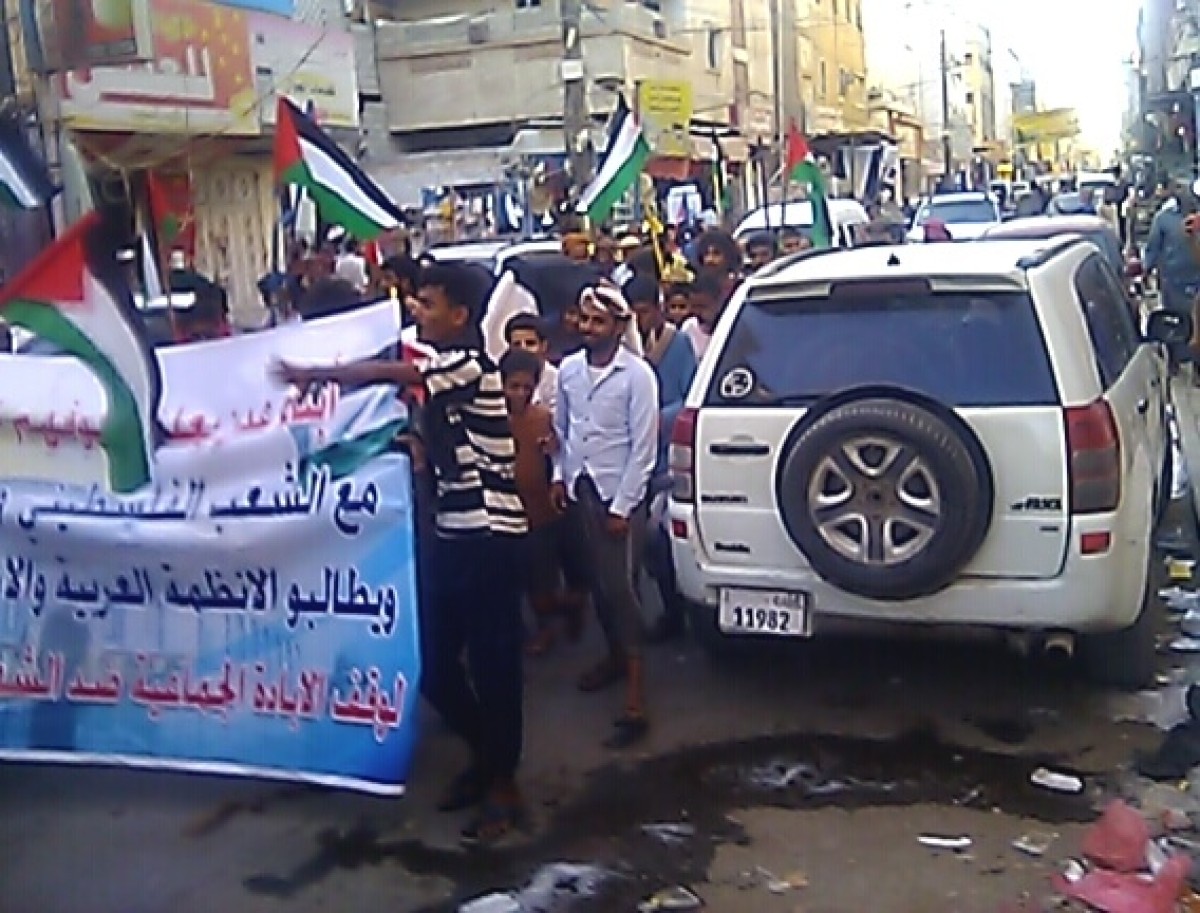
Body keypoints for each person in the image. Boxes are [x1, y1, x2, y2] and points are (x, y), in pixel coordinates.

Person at [274, 263, 528, 845]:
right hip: (450, 535)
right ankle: (487, 759)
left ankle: (501, 783)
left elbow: (398, 371)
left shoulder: (468, 363)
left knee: (494, 668)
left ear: (460, 316)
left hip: (489, 535)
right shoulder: (441, 373)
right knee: (434, 665)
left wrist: (317, 372)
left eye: (429, 304)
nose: (418, 309)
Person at [552, 284, 659, 749]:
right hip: (581, 490)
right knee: (596, 583)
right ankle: (614, 659)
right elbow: (562, 431)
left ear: (618, 326)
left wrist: (623, 507)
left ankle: (636, 694)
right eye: (585, 320)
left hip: (619, 496)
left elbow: (644, 449)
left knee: (621, 590)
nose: (590, 329)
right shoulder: (569, 372)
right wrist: (559, 475)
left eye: (600, 322)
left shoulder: (637, 376)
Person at [626, 275, 697, 642]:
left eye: (644, 312)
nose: (639, 321)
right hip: (633, 461)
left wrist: (654, 417)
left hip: (667, 457)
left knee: (665, 538)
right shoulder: (622, 351)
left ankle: (677, 610)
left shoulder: (678, 343)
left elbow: (690, 395)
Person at [500, 348, 568, 655]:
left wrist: (553, 449)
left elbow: (559, 458)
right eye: (513, 386)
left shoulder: (543, 419)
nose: (520, 394)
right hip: (501, 514)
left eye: (527, 387)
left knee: (541, 582)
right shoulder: (491, 418)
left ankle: (548, 626)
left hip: (539, 515)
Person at [1146, 182, 1200, 368]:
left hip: (1196, 280)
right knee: (1176, 324)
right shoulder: (1163, 218)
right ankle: (1175, 360)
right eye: (1177, 188)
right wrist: (1147, 269)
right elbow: (1153, 248)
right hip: (1173, 281)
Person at [504, 313, 558, 412]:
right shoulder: (500, 376)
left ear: (544, 346)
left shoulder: (557, 380)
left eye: (530, 343)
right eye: (517, 344)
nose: (523, 349)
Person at [682, 268, 730, 361]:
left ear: (718, 302)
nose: (696, 312)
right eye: (693, 306)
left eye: (702, 306)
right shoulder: (688, 328)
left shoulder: (732, 328)